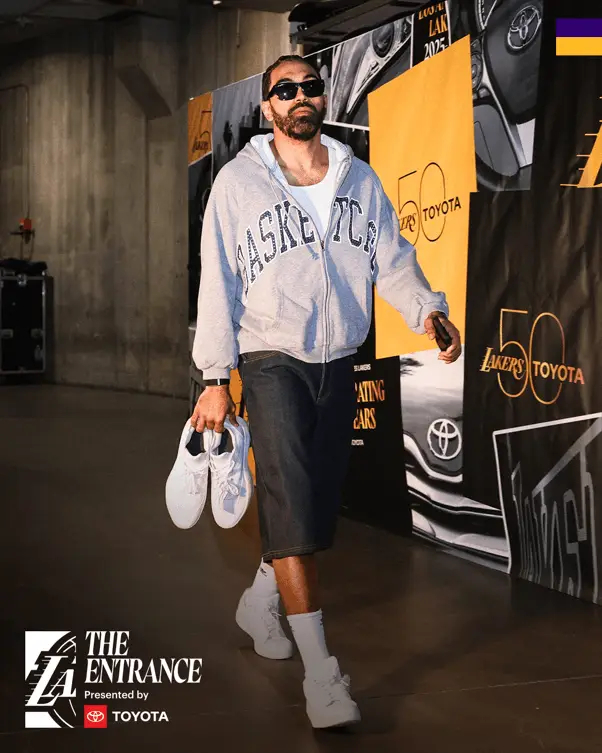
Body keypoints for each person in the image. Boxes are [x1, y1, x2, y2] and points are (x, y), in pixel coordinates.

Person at [190, 54, 461, 729]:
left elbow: (391, 257)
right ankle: (321, 674)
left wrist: (428, 310)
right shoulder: (237, 184)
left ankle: (260, 600)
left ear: (322, 98)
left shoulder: (356, 178)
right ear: (268, 107)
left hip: (338, 357)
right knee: (288, 493)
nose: (300, 96)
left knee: (311, 504)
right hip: (270, 355)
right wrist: (215, 377)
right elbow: (217, 279)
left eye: (310, 87)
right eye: (285, 90)